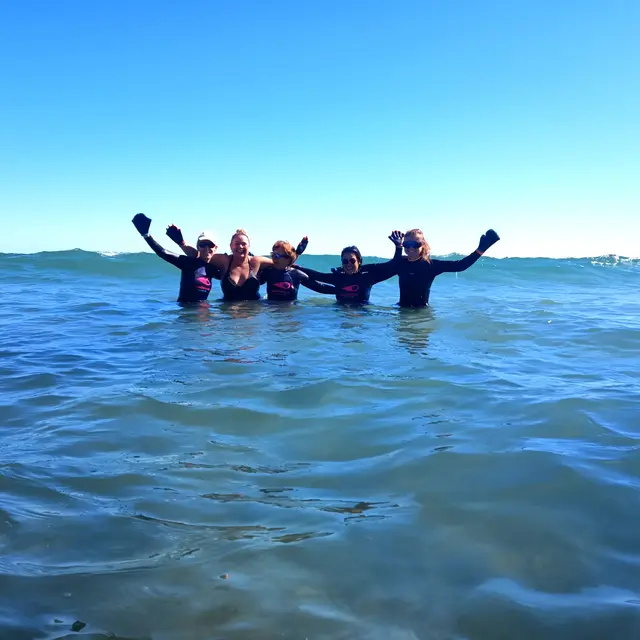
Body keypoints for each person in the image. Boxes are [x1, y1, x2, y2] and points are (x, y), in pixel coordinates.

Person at [391, 228, 500, 307]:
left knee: (418, 339)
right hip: (401, 310)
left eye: (415, 244)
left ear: (423, 244)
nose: (410, 247)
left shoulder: (430, 265)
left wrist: (481, 249)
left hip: (420, 313)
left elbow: (460, 266)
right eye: (406, 244)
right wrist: (397, 247)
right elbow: (393, 265)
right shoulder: (401, 263)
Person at [131, 213, 221, 303]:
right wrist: (146, 235)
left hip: (204, 313)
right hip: (186, 312)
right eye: (203, 245)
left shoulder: (212, 269)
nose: (206, 248)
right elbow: (163, 252)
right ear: (197, 246)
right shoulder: (188, 263)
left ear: (216, 247)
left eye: (210, 245)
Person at [293, 232, 403, 304]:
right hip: (340, 314)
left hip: (362, 313)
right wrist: (296, 267)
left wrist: (398, 247)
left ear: (359, 261)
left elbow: (392, 266)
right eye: (345, 261)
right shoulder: (338, 278)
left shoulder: (368, 277)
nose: (348, 264)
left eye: (352, 260)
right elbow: (318, 276)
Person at [260, 240, 336, 301]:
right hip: (271, 314)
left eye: (277, 256)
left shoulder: (296, 274)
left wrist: (340, 291)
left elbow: (319, 287)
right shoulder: (268, 272)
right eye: (273, 255)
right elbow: (253, 285)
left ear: (288, 258)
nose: (273, 258)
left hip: (290, 313)